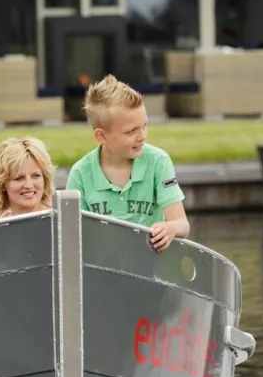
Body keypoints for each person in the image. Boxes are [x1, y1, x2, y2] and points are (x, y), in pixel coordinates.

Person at [65, 75, 189, 252]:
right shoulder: (80, 173)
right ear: (101, 136)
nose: (142, 136)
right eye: (131, 131)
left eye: (144, 126)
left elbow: (182, 224)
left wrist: (172, 228)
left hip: (150, 268)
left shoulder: (158, 162)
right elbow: (70, 238)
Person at [0, 136, 55, 218]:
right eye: (19, 178)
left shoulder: (60, 220)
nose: (29, 185)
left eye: (36, 176)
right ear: (2, 184)